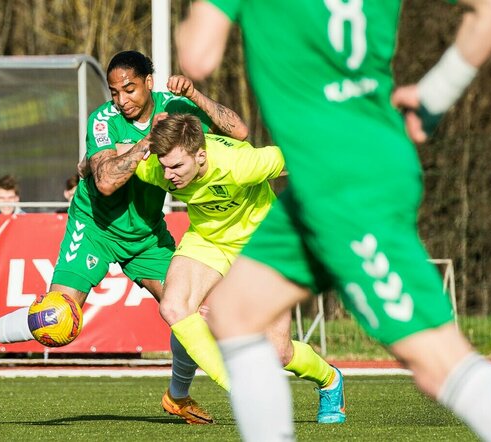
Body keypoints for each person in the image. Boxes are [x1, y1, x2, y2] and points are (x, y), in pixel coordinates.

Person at [176, 1, 491, 440]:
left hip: (348, 185)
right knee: (236, 313)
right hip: (336, 176)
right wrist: (435, 96)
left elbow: (198, 54)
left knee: (438, 361)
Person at [0, 50, 248, 425]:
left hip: (146, 234)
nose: (121, 100)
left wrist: (195, 95)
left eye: (129, 89)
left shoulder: (176, 108)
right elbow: (106, 182)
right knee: (56, 318)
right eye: (114, 92)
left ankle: (178, 396)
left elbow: (239, 132)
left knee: (190, 315)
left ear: (149, 82)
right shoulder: (103, 120)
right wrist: (148, 140)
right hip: (95, 225)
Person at [132, 113, 345, 423]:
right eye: (164, 166)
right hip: (208, 240)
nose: (169, 176)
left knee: (278, 353)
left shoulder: (242, 164)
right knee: (174, 307)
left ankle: (330, 380)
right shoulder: (159, 169)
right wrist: (92, 163)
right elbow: (113, 156)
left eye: (177, 167)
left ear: (200, 155)